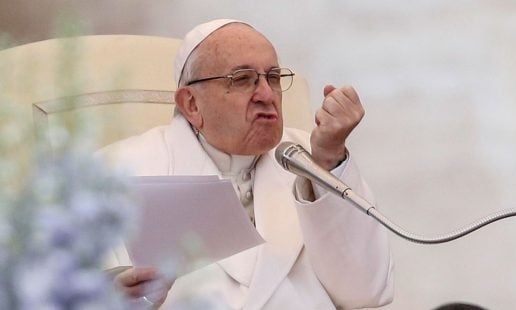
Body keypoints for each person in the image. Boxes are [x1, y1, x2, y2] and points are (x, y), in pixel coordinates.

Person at [98, 19, 394, 309]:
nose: (266, 95)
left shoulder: (311, 156)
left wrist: (330, 160)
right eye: (241, 79)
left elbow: (366, 293)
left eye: (273, 77)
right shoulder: (117, 171)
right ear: (191, 104)